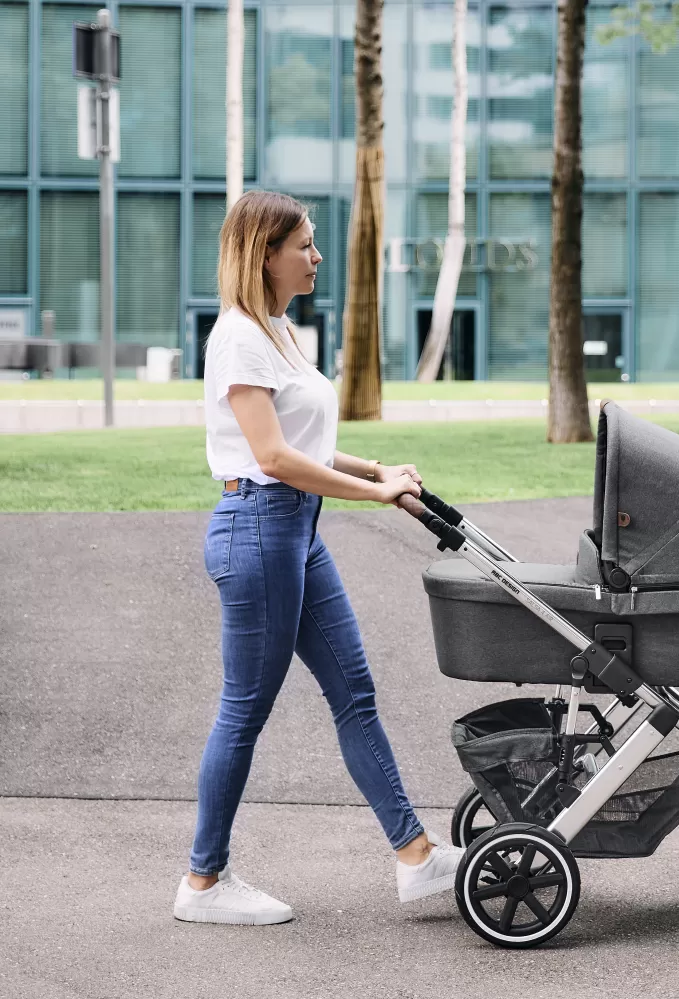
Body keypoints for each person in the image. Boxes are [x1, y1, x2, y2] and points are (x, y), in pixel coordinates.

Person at [173, 190, 462, 926]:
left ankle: (416, 857)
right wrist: (373, 494)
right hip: (258, 529)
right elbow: (272, 458)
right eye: (304, 244)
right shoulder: (239, 337)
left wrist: (375, 469)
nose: (316, 256)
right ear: (264, 253)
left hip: (294, 531)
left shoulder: (276, 330)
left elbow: (303, 444)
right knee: (244, 710)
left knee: (354, 691)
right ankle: (203, 883)